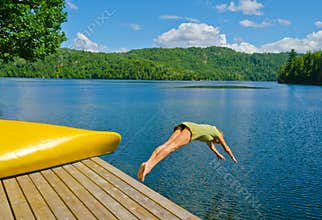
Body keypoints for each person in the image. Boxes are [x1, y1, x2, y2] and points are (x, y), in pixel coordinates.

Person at [137, 121, 238, 182]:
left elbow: (211, 146)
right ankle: (149, 167)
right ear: (219, 137)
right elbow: (227, 148)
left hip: (184, 124)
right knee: (172, 147)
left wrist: (217, 154)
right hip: (191, 130)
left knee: (166, 144)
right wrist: (232, 157)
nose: (218, 143)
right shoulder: (217, 133)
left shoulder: (210, 133)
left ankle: (147, 164)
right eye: (218, 142)